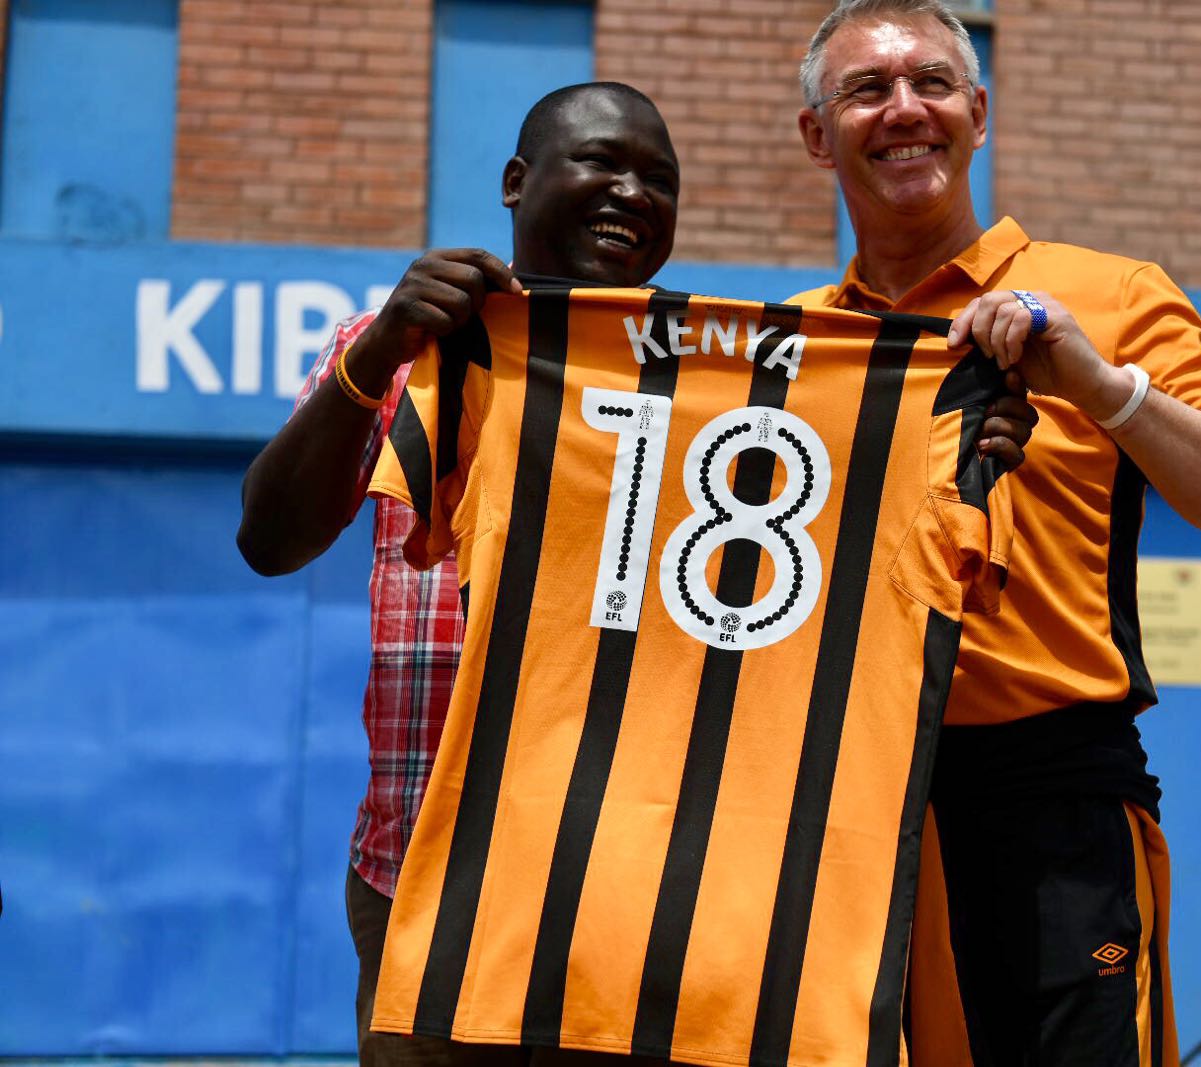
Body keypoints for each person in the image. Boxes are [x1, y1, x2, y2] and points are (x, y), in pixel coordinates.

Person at [238, 80, 1035, 1066]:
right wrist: (376, 356)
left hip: (653, 891)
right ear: (516, 182)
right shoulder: (412, 345)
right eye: (602, 163)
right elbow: (269, 539)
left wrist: (958, 433)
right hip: (425, 867)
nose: (631, 193)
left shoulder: (735, 385)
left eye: (658, 180)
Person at [789, 3, 1201, 1065]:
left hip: (1056, 808)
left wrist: (1096, 383)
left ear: (977, 113)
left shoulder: (1109, 298)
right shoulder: (800, 344)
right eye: (865, 90)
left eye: (931, 83)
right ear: (816, 134)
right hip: (852, 814)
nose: (904, 110)